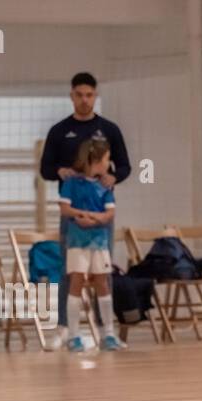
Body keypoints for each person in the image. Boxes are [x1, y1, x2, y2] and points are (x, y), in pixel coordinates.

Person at [39, 72, 131, 339]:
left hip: (101, 212)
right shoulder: (58, 131)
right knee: (70, 271)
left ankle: (106, 331)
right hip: (72, 214)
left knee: (103, 271)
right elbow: (45, 169)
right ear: (71, 96)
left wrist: (114, 176)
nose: (84, 100)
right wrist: (60, 171)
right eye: (79, 95)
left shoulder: (110, 129)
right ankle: (65, 329)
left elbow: (125, 165)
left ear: (95, 95)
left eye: (89, 95)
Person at [58, 140, 121, 352]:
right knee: (76, 281)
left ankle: (109, 334)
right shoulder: (72, 183)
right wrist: (80, 215)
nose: (109, 163)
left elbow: (110, 213)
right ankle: (74, 335)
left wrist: (95, 218)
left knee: (102, 283)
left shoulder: (104, 186)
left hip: (99, 241)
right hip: (77, 241)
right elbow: (65, 208)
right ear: (95, 160)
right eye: (106, 159)